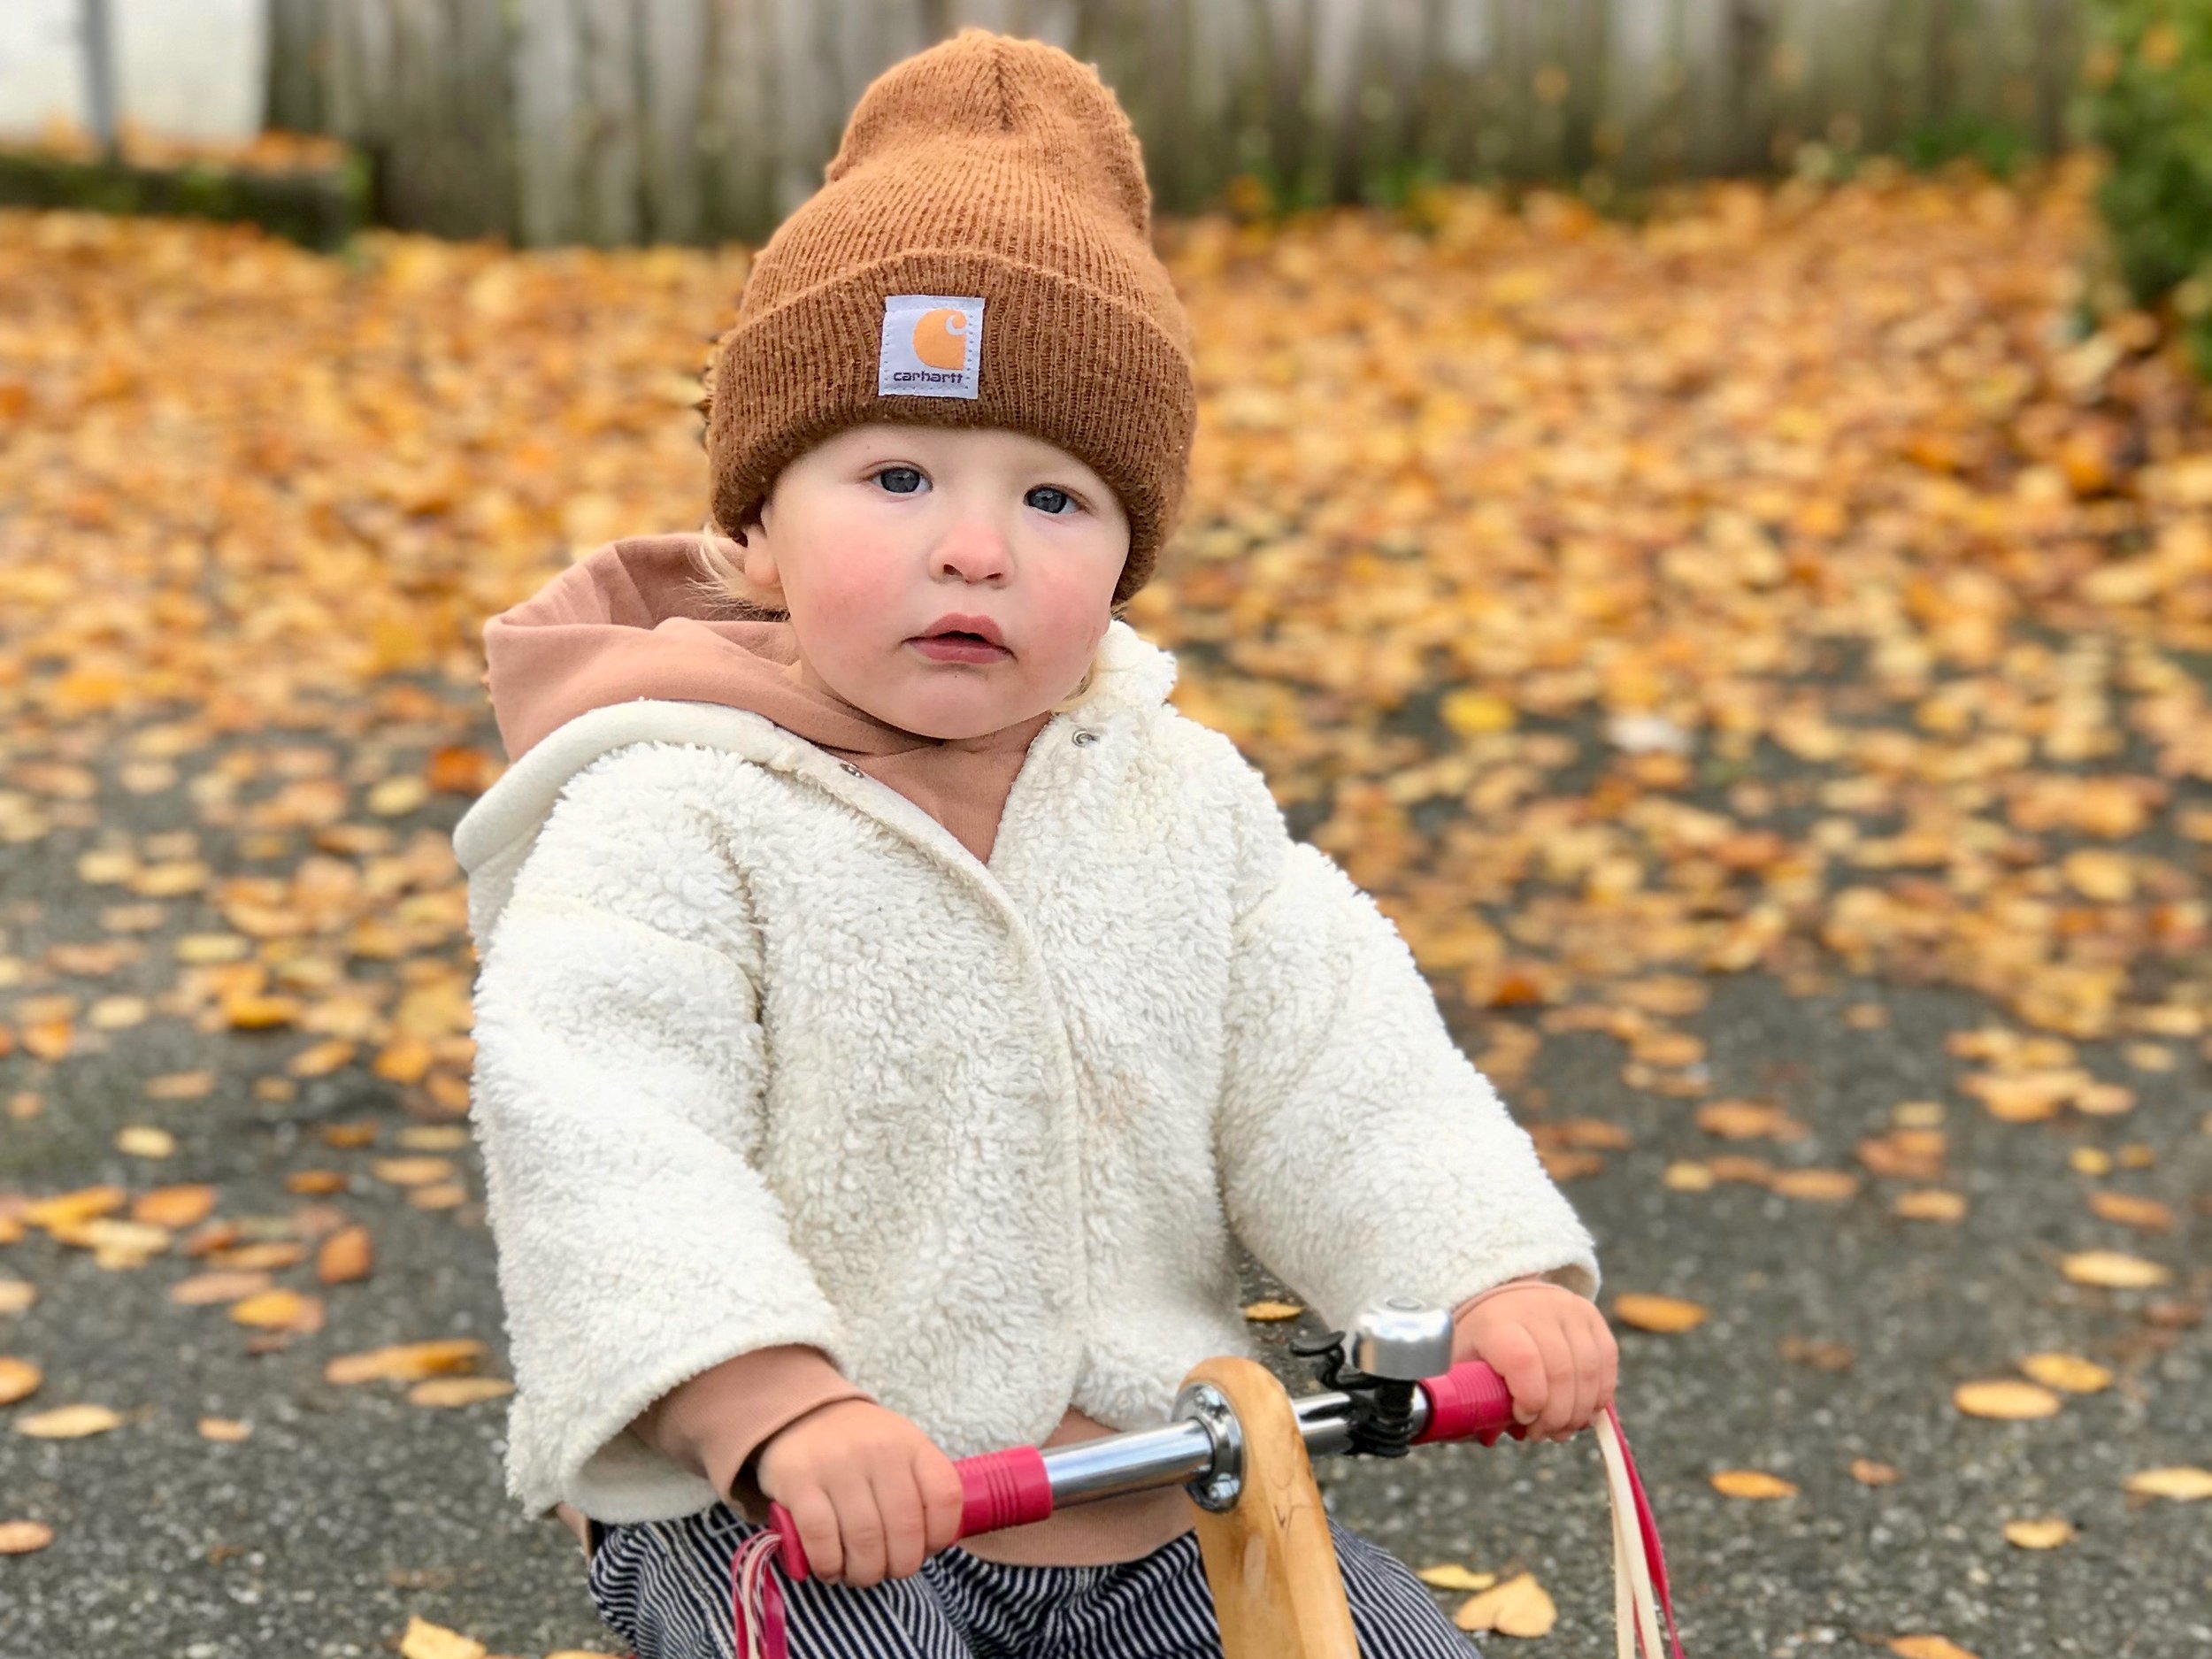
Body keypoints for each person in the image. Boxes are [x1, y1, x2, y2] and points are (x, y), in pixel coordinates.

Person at [456, 27, 1617, 1659]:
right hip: (809, 1510)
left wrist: (1481, 1273)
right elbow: (603, 1128)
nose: (977, 550)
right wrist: (769, 1400)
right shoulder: (670, 809)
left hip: (1160, 1502)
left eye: (1056, 502)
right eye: (900, 474)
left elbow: (1336, 1069)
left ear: (1130, 561)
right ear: (755, 535)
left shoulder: (1177, 802)